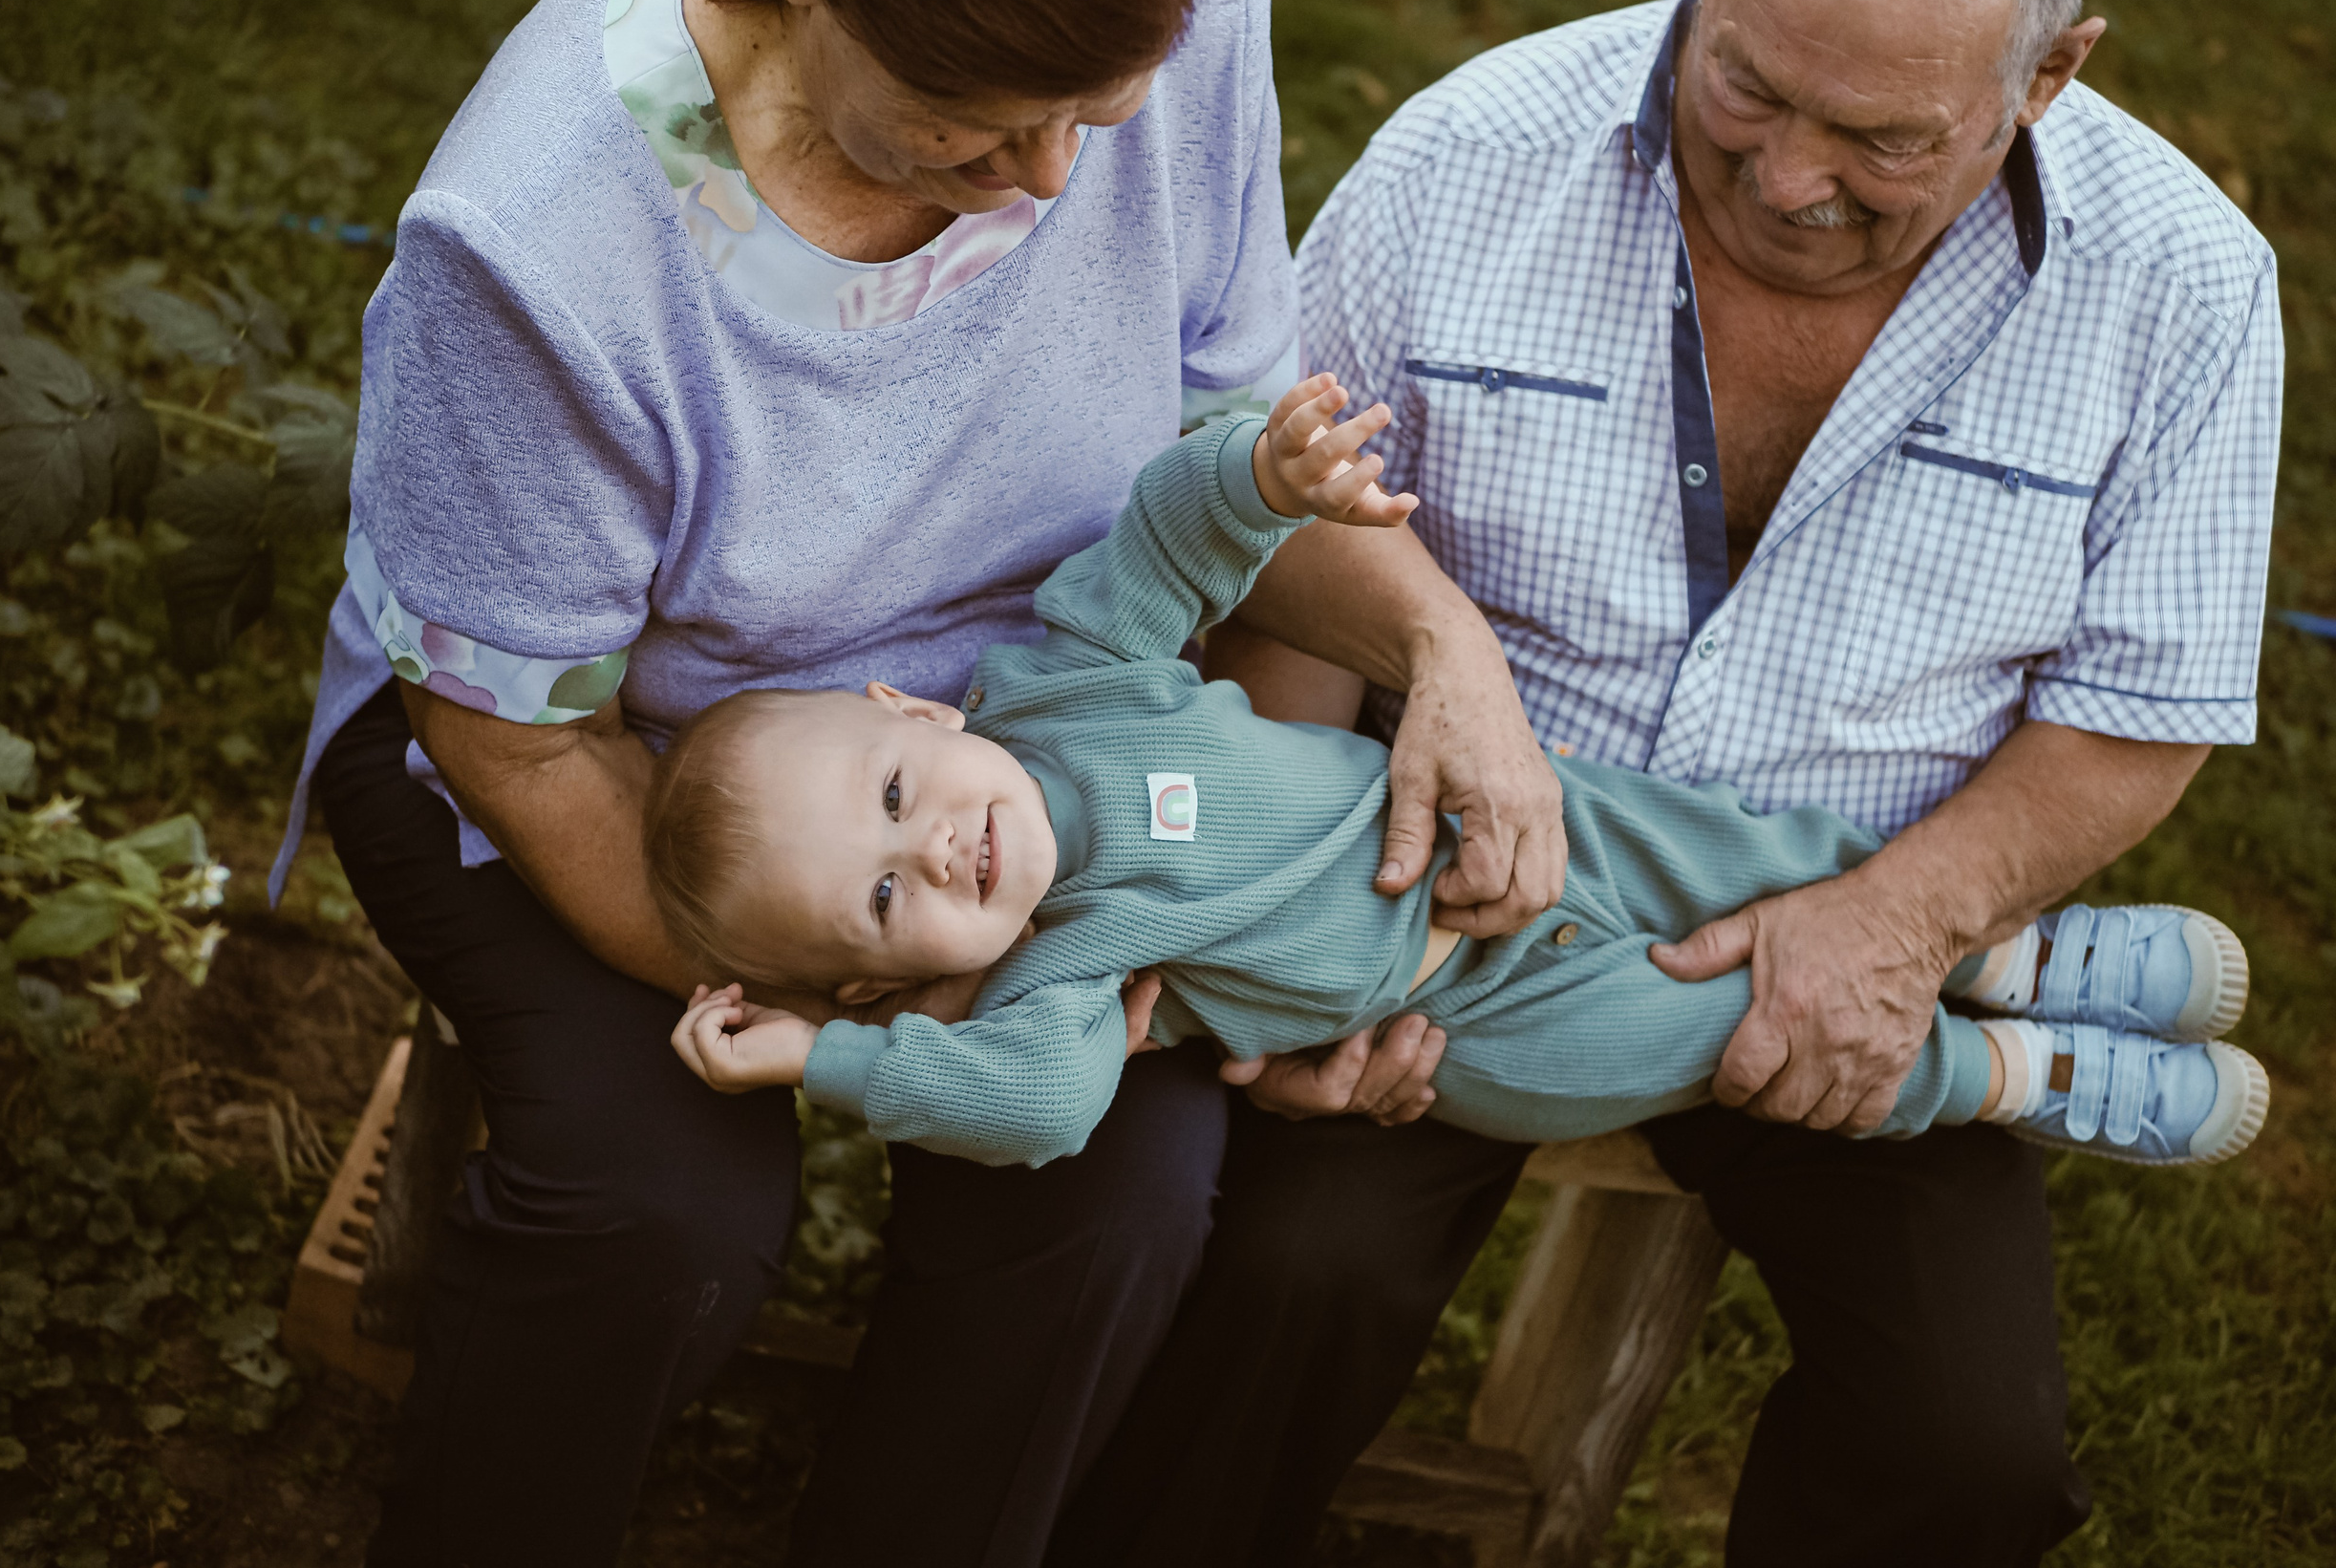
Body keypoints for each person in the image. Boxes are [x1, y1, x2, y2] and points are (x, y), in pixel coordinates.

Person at [271, 0, 1569, 1563]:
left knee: (1117, 1203)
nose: (1051, 179)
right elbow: (519, 740)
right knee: (658, 1217)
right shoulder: (537, 247)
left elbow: (1230, 460)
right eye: (975, 115)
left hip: (1025, 727)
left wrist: (1438, 657)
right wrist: (881, 1001)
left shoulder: (1174, 1)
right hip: (604, 769)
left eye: (1094, 113)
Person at [1049, 0, 2284, 1568]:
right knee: (1270, 1284)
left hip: (1871, 913)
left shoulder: (2187, 286)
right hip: (1450, 899)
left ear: (2050, 73)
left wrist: (1899, 927)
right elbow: (1275, 525)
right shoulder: (1472, 155)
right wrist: (1272, 933)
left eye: (1882, 143)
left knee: (1969, 1454)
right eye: (1748, 89)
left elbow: (2141, 712)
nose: (1789, 182)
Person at [652, 378, 2266, 1170]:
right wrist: (822, 1068)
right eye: (881, 904)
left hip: (1501, 825)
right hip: (1470, 1018)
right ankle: (2021, 1082)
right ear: (890, 986)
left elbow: (1165, 544)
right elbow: (1040, 1113)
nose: (934, 858)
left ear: (913, 712)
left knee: (1743, 854)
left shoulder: (1063, 687)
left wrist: (1260, 474)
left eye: (889, 802)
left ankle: (2009, 953)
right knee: (1723, 1026)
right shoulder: (1065, 985)